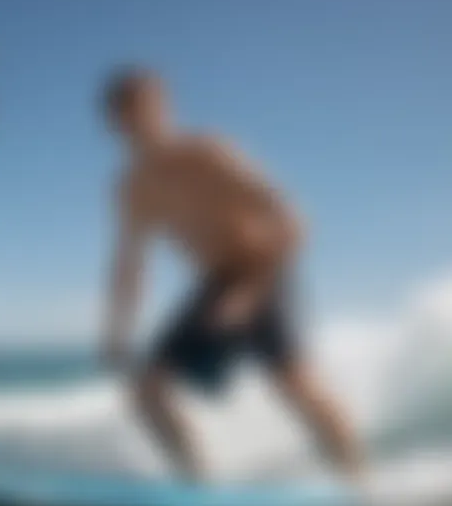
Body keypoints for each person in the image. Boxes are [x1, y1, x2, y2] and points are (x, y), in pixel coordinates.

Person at [101, 67, 360, 480]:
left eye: (151, 107)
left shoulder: (209, 154)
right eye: (130, 113)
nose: (144, 121)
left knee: (292, 384)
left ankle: (358, 484)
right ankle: (197, 485)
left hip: (263, 267)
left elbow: (292, 220)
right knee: (147, 392)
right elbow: (129, 266)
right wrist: (115, 333)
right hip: (215, 281)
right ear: (114, 123)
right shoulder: (133, 188)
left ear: (165, 106)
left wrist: (251, 292)